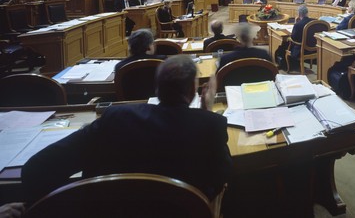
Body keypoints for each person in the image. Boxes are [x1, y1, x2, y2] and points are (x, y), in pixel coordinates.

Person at [22, 55, 232, 203]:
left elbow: (36, 169)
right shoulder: (210, 125)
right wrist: (207, 110)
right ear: (192, 91)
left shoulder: (115, 118)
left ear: (157, 89)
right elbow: (221, 177)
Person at [286, 4, 313, 71]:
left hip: (301, 50)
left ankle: (291, 66)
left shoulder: (298, 25)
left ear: (298, 14)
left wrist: (295, 23)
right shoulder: (313, 22)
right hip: (313, 49)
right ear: (307, 12)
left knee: (286, 42)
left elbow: (293, 38)